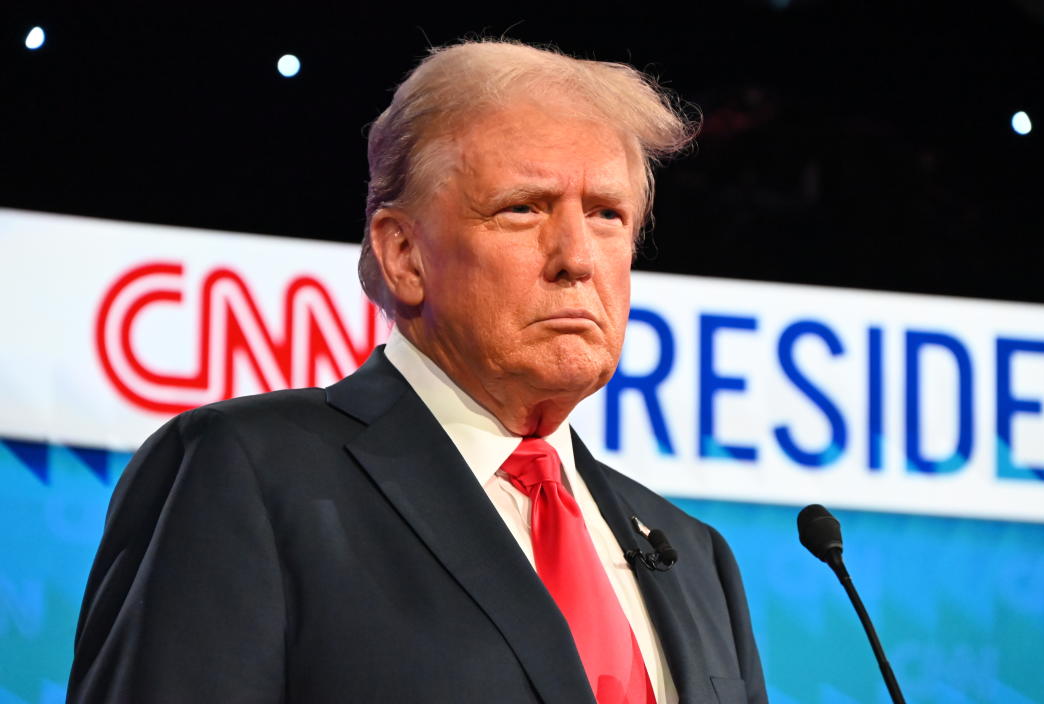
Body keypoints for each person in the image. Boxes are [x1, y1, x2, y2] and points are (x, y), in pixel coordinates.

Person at [68, 40, 768, 704]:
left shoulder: (694, 557)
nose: (576, 258)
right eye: (522, 209)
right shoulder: (245, 472)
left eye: (607, 215)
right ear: (403, 254)